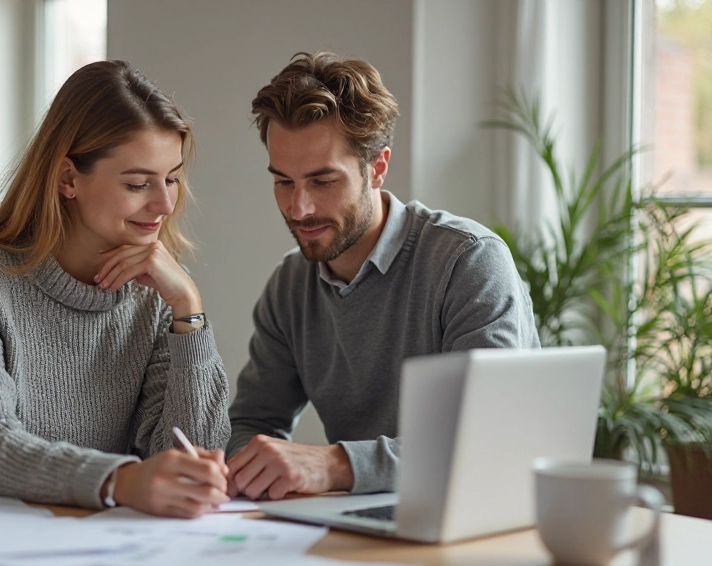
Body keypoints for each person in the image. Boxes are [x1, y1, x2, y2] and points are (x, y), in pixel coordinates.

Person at [0, 60, 231, 519]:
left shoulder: (156, 293)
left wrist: (189, 312)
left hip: (66, 534)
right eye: (138, 183)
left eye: (173, 179)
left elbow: (190, 460)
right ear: (67, 179)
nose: (163, 204)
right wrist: (120, 481)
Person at [226, 52, 540, 501]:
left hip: (479, 518)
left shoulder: (467, 262)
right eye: (283, 182)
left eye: (323, 181)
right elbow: (251, 424)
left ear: (377, 167)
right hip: (361, 521)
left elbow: (487, 435)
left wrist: (335, 464)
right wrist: (257, 468)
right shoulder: (291, 284)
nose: (299, 209)